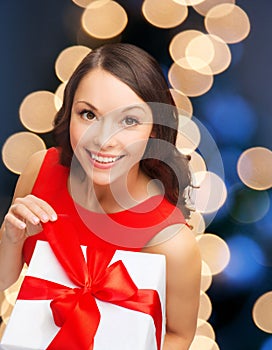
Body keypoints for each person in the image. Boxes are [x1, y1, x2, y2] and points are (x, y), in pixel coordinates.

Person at [0, 43, 201, 349]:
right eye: (89, 114)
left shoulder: (171, 241)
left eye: (129, 121)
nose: (104, 139)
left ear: (154, 131)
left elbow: (179, 335)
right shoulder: (40, 169)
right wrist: (10, 238)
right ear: (70, 113)